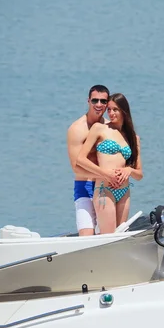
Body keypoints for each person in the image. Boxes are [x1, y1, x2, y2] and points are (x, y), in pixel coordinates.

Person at [76, 93, 143, 234]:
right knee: (109, 237)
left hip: (124, 191)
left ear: (124, 111)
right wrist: (105, 173)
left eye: (115, 109)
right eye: (109, 110)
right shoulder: (99, 129)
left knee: (120, 235)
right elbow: (81, 159)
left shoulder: (133, 138)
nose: (111, 113)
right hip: (104, 190)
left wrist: (129, 170)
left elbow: (139, 174)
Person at [67, 84, 117, 236]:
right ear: (88, 101)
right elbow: (76, 168)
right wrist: (105, 174)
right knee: (86, 236)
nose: (99, 105)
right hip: (85, 186)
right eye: (95, 101)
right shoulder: (77, 129)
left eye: (103, 101)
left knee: (109, 235)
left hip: (107, 185)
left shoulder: (111, 127)